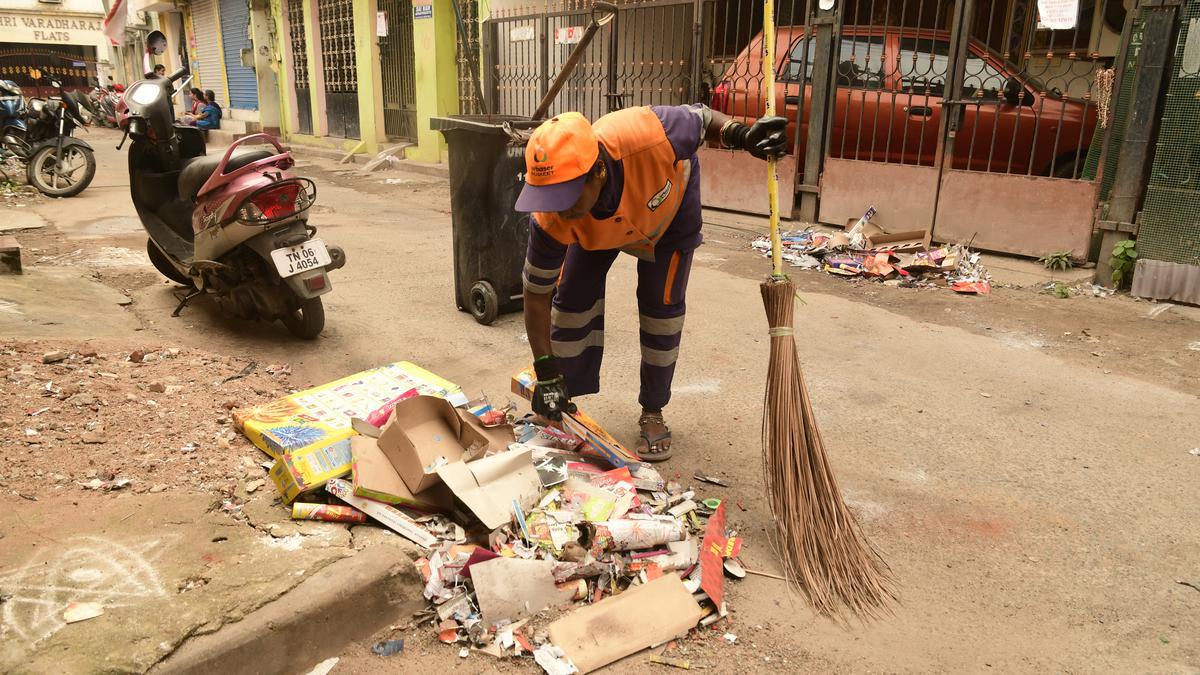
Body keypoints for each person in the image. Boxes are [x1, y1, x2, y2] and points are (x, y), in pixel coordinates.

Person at [516, 105, 786, 461]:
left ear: (597, 171)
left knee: (662, 311)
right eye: (548, 197)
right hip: (595, 231)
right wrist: (545, 371)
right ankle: (560, 403)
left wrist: (741, 133)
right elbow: (536, 296)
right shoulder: (553, 218)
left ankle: (653, 409)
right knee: (570, 303)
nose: (558, 209)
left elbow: (703, 119)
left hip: (668, 215)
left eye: (565, 197)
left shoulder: (647, 134)